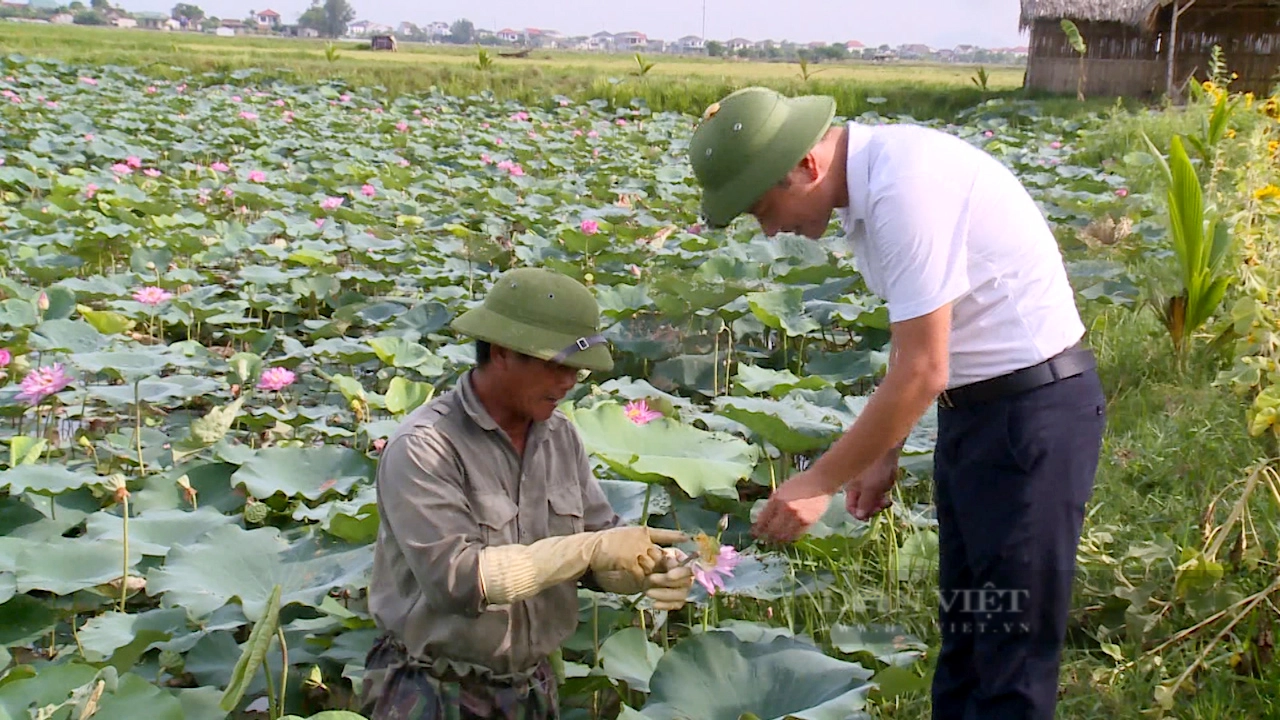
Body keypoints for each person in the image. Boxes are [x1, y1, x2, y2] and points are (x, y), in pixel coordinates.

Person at [684, 86, 1107, 720]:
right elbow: (924, 337)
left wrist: (822, 478)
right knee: (967, 634)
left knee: (1009, 652)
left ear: (805, 166)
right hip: (977, 414)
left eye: (763, 209)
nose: (771, 230)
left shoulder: (905, 188)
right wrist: (880, 455)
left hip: (1032, 418)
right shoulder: (871, 187)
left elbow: (923, 368)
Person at [363, 266, 695, 720]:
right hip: (432, 690)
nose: (567, 383)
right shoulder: (425, 447)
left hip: (530, 688)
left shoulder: (561, 438)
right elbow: (457, 582)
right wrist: (592, 547)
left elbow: (594, 550)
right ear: (501, 352)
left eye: (576, 370)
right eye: (555, 366)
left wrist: (647, 570)